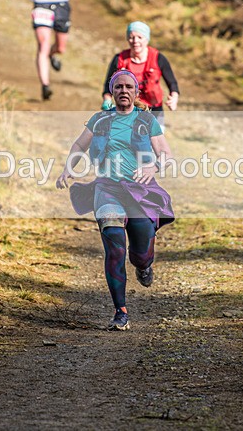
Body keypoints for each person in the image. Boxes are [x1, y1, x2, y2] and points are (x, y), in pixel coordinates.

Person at [56, 69, 175, 331]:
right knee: (115, 247)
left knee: (140, 253)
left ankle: (144, 265)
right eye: (118, 87)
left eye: (128, 87)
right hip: (107, 189)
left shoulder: (146, 120)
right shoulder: (99, 120)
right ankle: (120, 311)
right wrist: (70, 167)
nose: (123, 91)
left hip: (140, 192)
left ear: (136, 92)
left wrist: (153, 167)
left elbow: (165, 153)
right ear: (112, 92)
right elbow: (79, 146)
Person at [102, 21, 180, 126]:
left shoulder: (158, 58)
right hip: (127, 111)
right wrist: (107, 101)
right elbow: (108, 85)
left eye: (139, 37)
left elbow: (172, 84)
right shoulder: (119, 59)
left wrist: (174, 98)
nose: (135, 41)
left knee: (155, 140)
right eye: (131, 37)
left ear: (147, 39)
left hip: (154, 111)